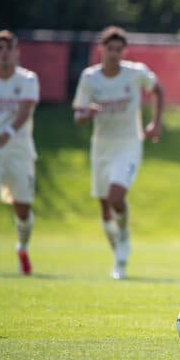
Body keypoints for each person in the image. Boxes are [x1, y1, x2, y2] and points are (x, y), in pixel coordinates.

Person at [73, 26, 164, 280]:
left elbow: (157, 90)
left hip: (128, 144)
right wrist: (86, 114)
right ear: (101, 49)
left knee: (116, 197)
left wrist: (155, 123)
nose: (114, 54)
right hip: (101, 146)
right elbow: (78, 115)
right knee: (104, 207)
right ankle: (118, 257)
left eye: (118, 49)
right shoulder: (90, 78)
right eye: (109, 48)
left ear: (124, 51)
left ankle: (123, 244)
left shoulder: (134, 73)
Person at [0, 30, 39, 276]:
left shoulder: (28, 79)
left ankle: (22, 247)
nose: (3, 53)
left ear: (16, 52)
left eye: (7, 48)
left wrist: (7, 133)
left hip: (19, 151)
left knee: (22, 209)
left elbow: (25, 110)